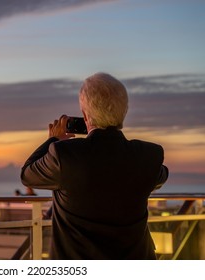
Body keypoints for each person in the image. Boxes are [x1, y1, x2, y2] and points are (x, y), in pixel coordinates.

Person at [20, 72, 169, 259]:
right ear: (124, 111)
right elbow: (159, 176)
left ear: (85, 115)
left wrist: (53, 140)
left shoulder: (64, 155)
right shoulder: (149, 155)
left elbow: (27, 174)